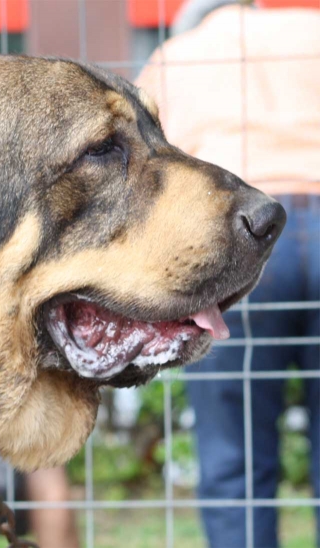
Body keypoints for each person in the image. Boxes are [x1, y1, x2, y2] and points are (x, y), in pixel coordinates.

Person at [136, 1, 320, 546]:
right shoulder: (313, 31)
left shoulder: (176, 56)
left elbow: (148, 166)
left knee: (232, 457)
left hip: (240, 236)